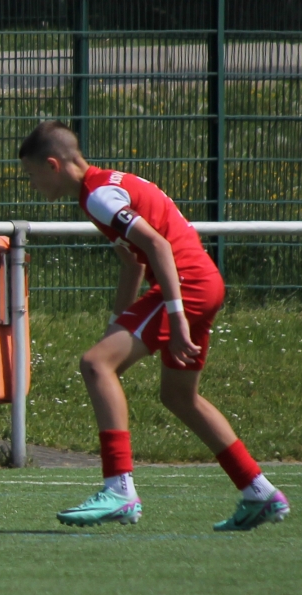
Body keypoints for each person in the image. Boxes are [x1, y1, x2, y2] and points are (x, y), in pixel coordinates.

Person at [17, 120, 288, 532]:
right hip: (204, 282)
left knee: (95, 364)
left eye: (31, 175)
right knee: (179, 396)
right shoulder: (104, 188)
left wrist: (176, 320)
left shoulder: (98, 195)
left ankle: (119, 490)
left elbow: (158, 246)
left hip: (187, 285)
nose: (32, 185)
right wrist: (115, 329)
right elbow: (133, 263)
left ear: (53, 165)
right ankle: (259, 491)